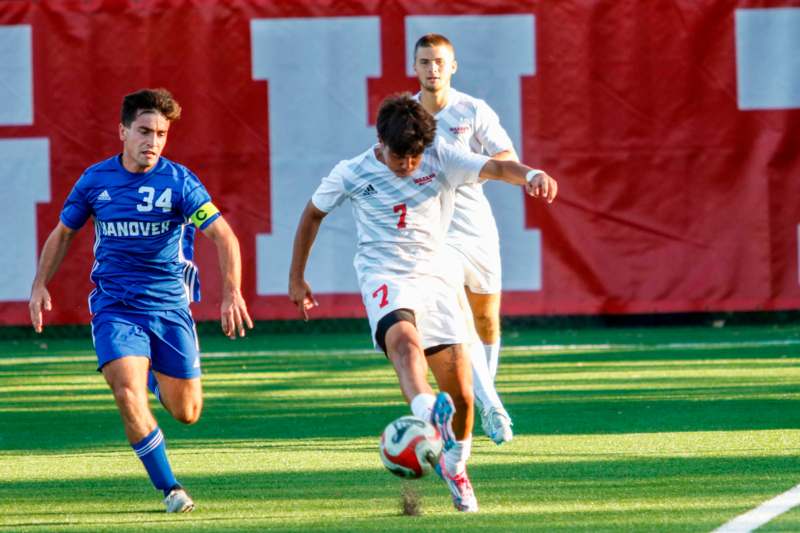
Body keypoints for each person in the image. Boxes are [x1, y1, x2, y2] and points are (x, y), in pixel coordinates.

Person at [288, 93, 556, 512]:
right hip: (383, 276)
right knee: (405, 345)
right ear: (381, 141)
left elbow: (498, 166)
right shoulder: (352, 171)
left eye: (414, 157)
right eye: (399, 156)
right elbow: (312, 214)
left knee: (465, 399)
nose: (408, 165)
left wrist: (532, 173)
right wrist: (296, 276)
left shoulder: (441, 155)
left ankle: (455, 466)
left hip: (436, 278)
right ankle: (428, 410)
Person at [28, 88, 253, 513]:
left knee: (186, 412)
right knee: (126, 391)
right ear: (123, 132)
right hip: (116, 308)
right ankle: (171, 488)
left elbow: (224, 236)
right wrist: (40, 284)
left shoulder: (179, 182)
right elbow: (63, 234)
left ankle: (150, 372)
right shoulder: (96, 181)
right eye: (145, 131)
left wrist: (231, 293)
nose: (153, 141)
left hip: (169, 308)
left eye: (161, 133)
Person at [412, 33, 521, 445]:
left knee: (485, 319)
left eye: (439, 61)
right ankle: (492, 408)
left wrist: (476, 166)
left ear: (452, 66)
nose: (432, 68)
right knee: (456, 314)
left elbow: (506, 158)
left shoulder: (472, 110)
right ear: (415, 66)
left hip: (477, 228)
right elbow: (387, 163)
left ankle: (476, 399)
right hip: (435, 232)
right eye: (424, 62)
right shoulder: (406, 116)